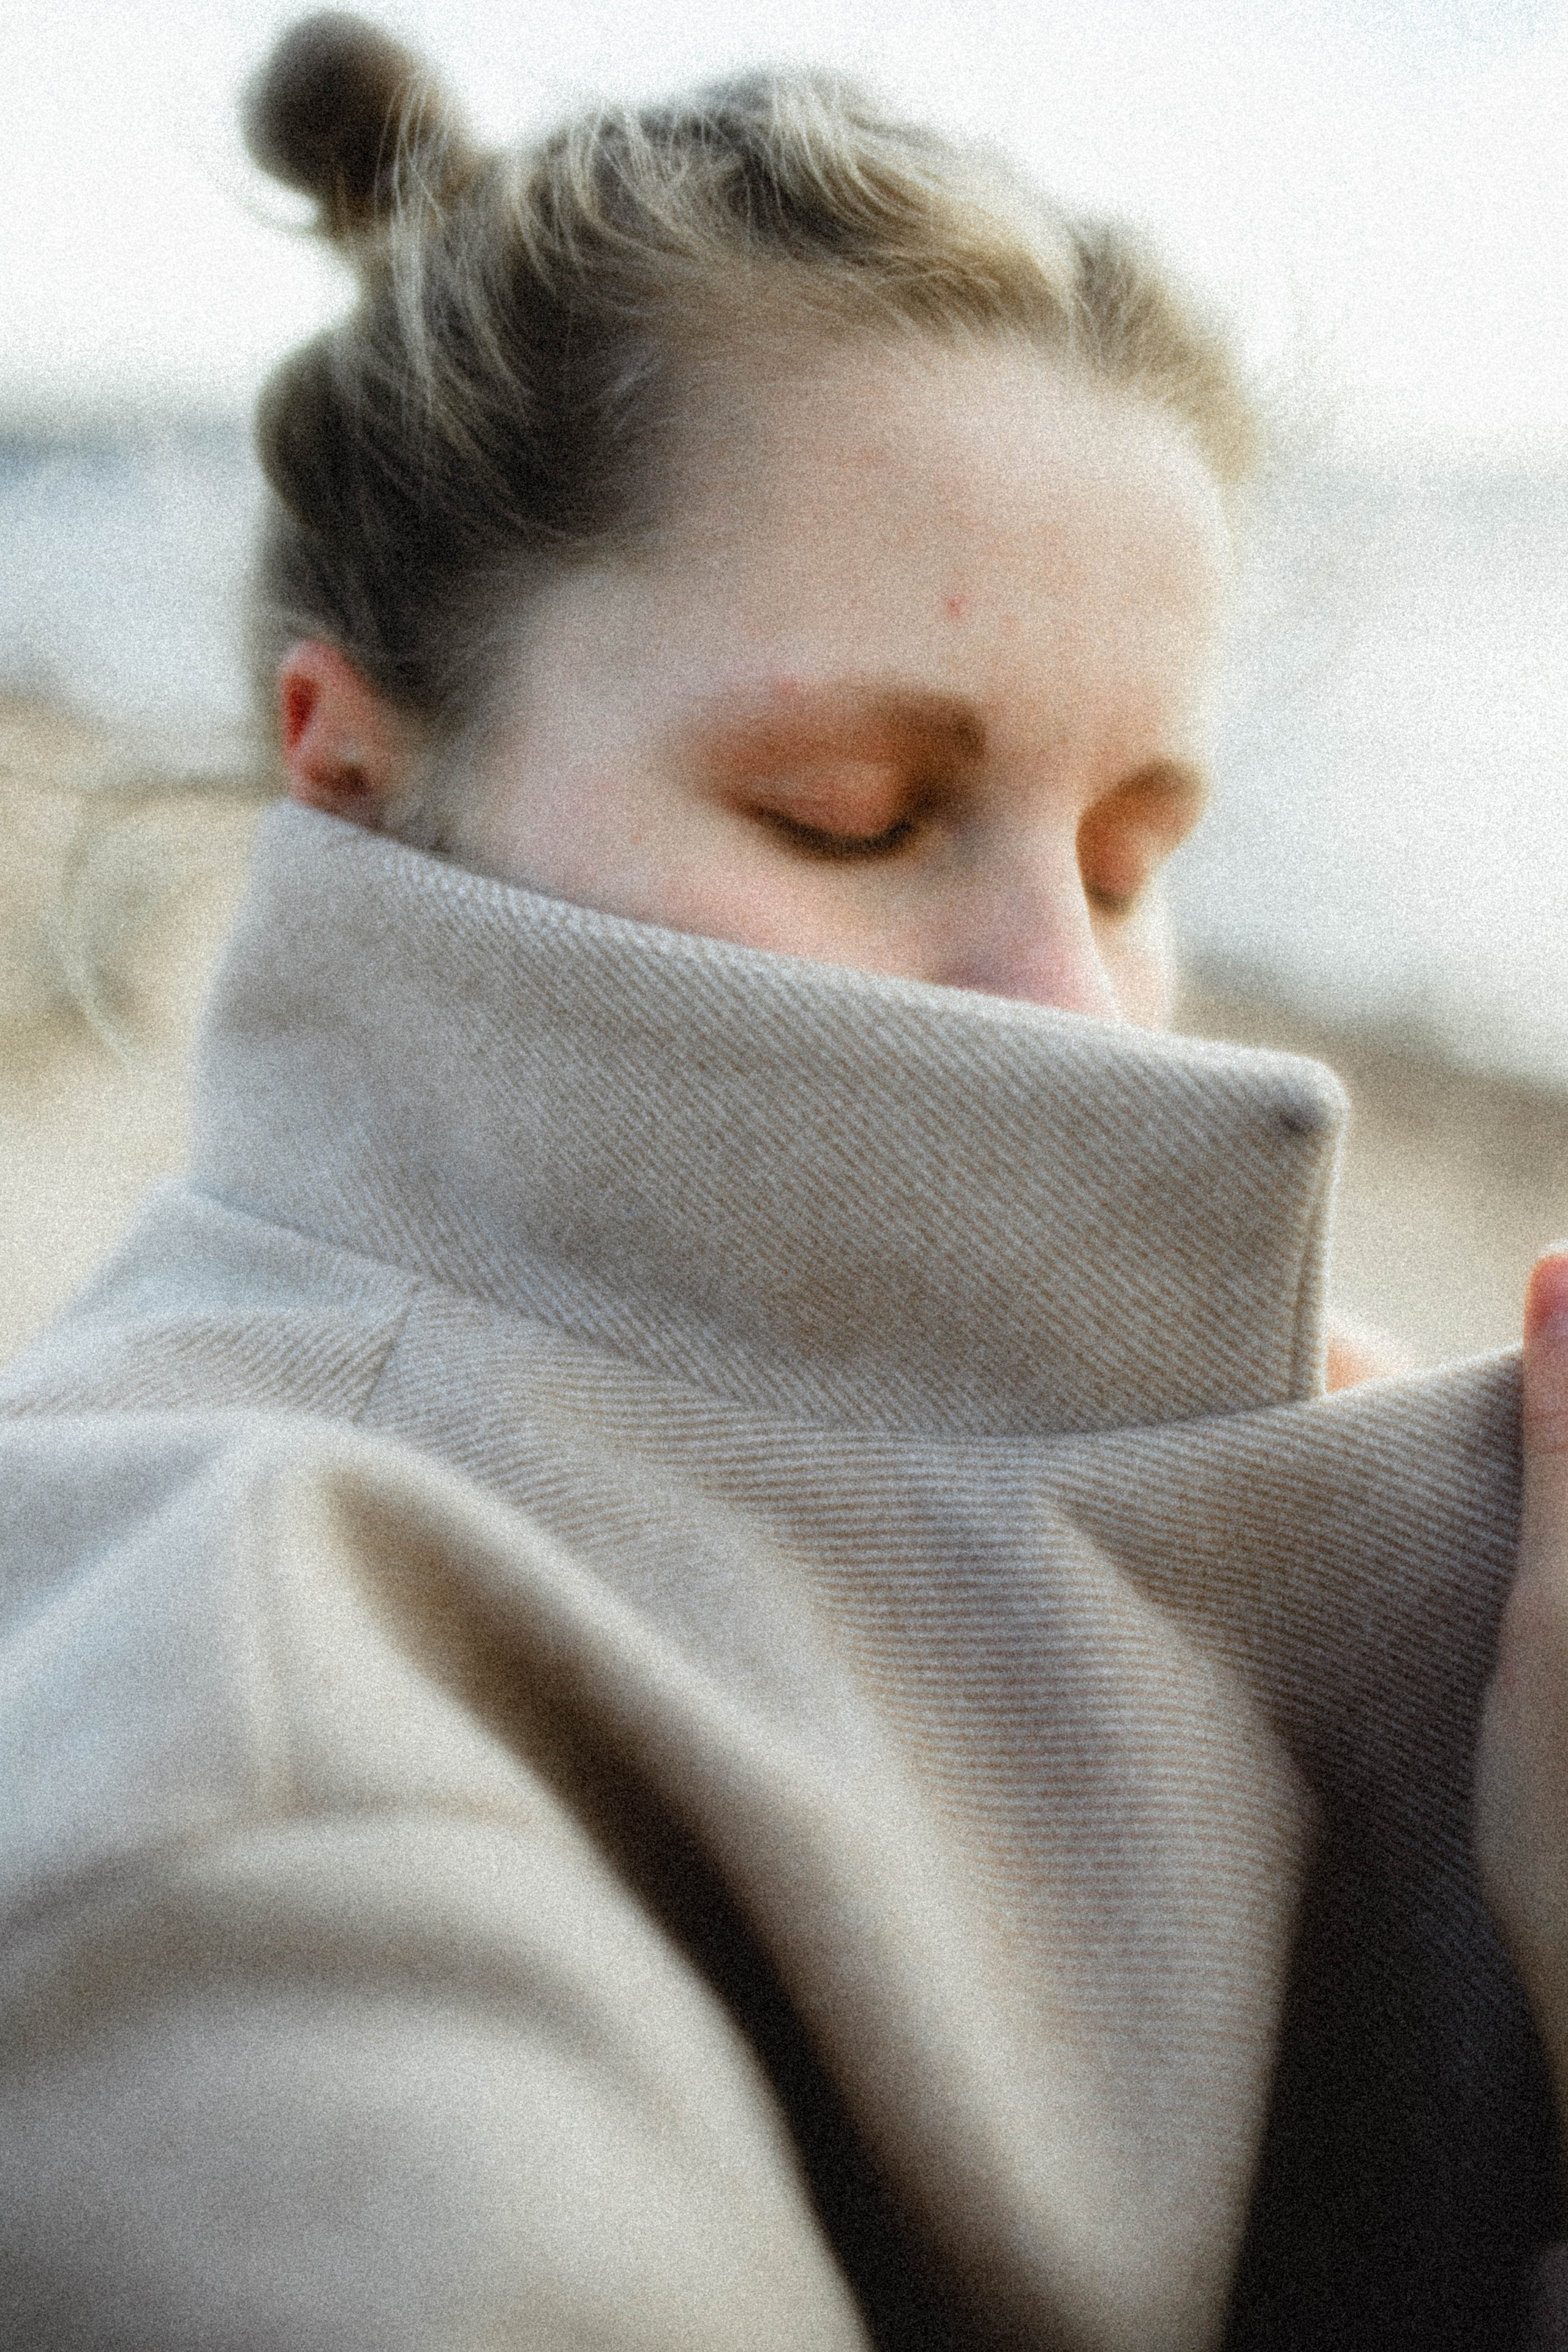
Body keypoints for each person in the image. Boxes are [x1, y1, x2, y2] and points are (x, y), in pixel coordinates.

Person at [1, 15, 1564, 2346]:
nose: (1071, 1002)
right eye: (850, 810)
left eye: (1136, 862)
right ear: (350, 771)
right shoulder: (239, 1703)